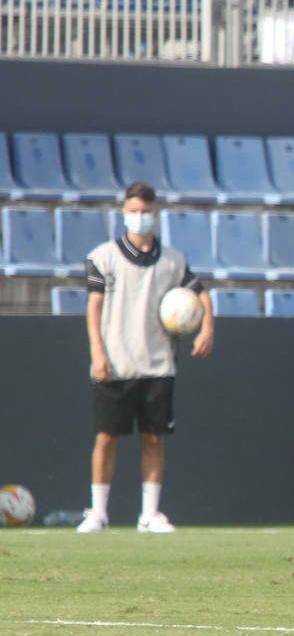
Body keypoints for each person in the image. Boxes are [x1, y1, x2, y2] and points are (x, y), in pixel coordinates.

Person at [77, 181, 215, 534]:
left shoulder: (173, 260)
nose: (140, 218)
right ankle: (98, 512)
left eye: (146, 212)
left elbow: (200, 296)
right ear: (124, 213)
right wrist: (97, 352)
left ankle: (149, 514)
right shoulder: (102, 257)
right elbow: (94, 308)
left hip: (157, 363)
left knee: (153, 439)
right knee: (106, 437)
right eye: (133, 211)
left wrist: (206, 329)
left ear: (157, 214)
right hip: (115, 361)